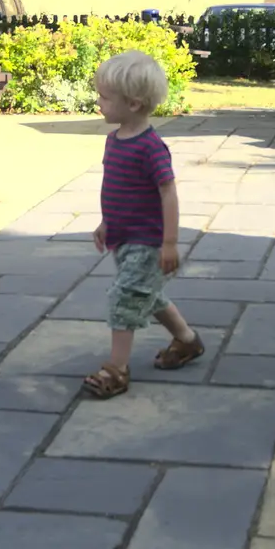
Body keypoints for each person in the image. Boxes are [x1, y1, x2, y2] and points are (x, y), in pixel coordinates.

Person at [83, 50, 202, 399]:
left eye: (105, 97)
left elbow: (168, 193)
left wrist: (169, 243)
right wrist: (107, 222)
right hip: (123, 237)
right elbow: (117, 189)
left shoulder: (151, 148)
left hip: (147, 242)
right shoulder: (114, 140)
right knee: (146, 295)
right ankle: (188, 341)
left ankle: (116, 370)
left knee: (125, 298)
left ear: (133, 104)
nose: (98, 102)